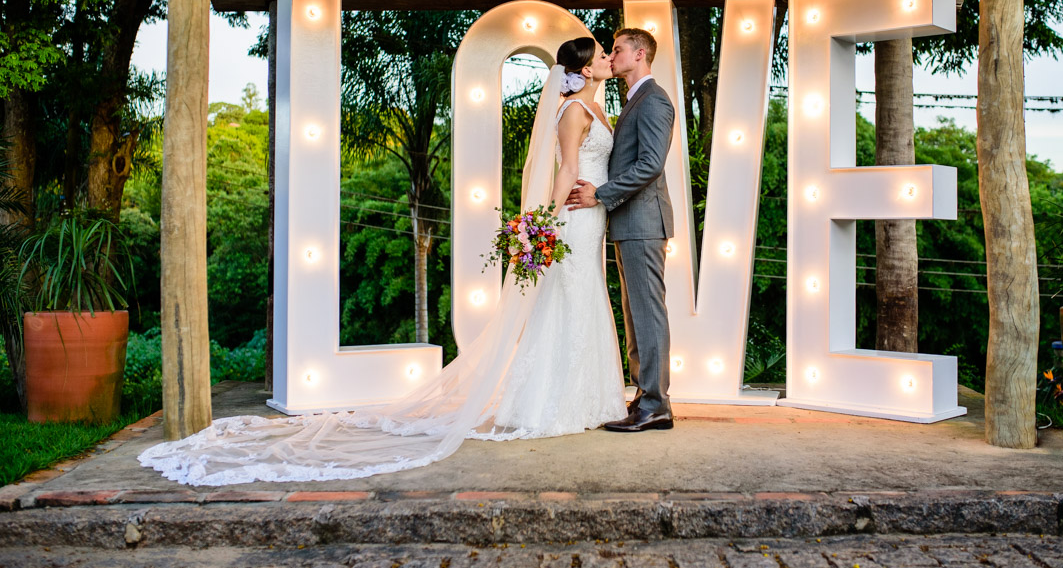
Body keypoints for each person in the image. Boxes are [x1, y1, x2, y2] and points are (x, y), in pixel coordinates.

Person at [137, 38, 626, 486]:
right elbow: (565, 169)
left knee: (581, 299)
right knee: (568, 300)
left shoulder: (598, 108)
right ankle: (552, 404)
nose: (608, 57)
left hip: (594, 214)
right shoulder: (573, 111)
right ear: (583, 69)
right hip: (573, 219)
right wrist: (543, 220)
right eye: (601, 54)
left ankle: (585, 397)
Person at [567, 28, 676, 433]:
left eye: (617, 50)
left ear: (640, 53)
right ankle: (644, 399)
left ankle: (655, 404)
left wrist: (602, 194)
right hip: (628, 223)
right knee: (636, 315)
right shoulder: (632, 100)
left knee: (647, 314)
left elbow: (650, 165)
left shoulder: (654, 100)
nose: (611, 57)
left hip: (644, 222)